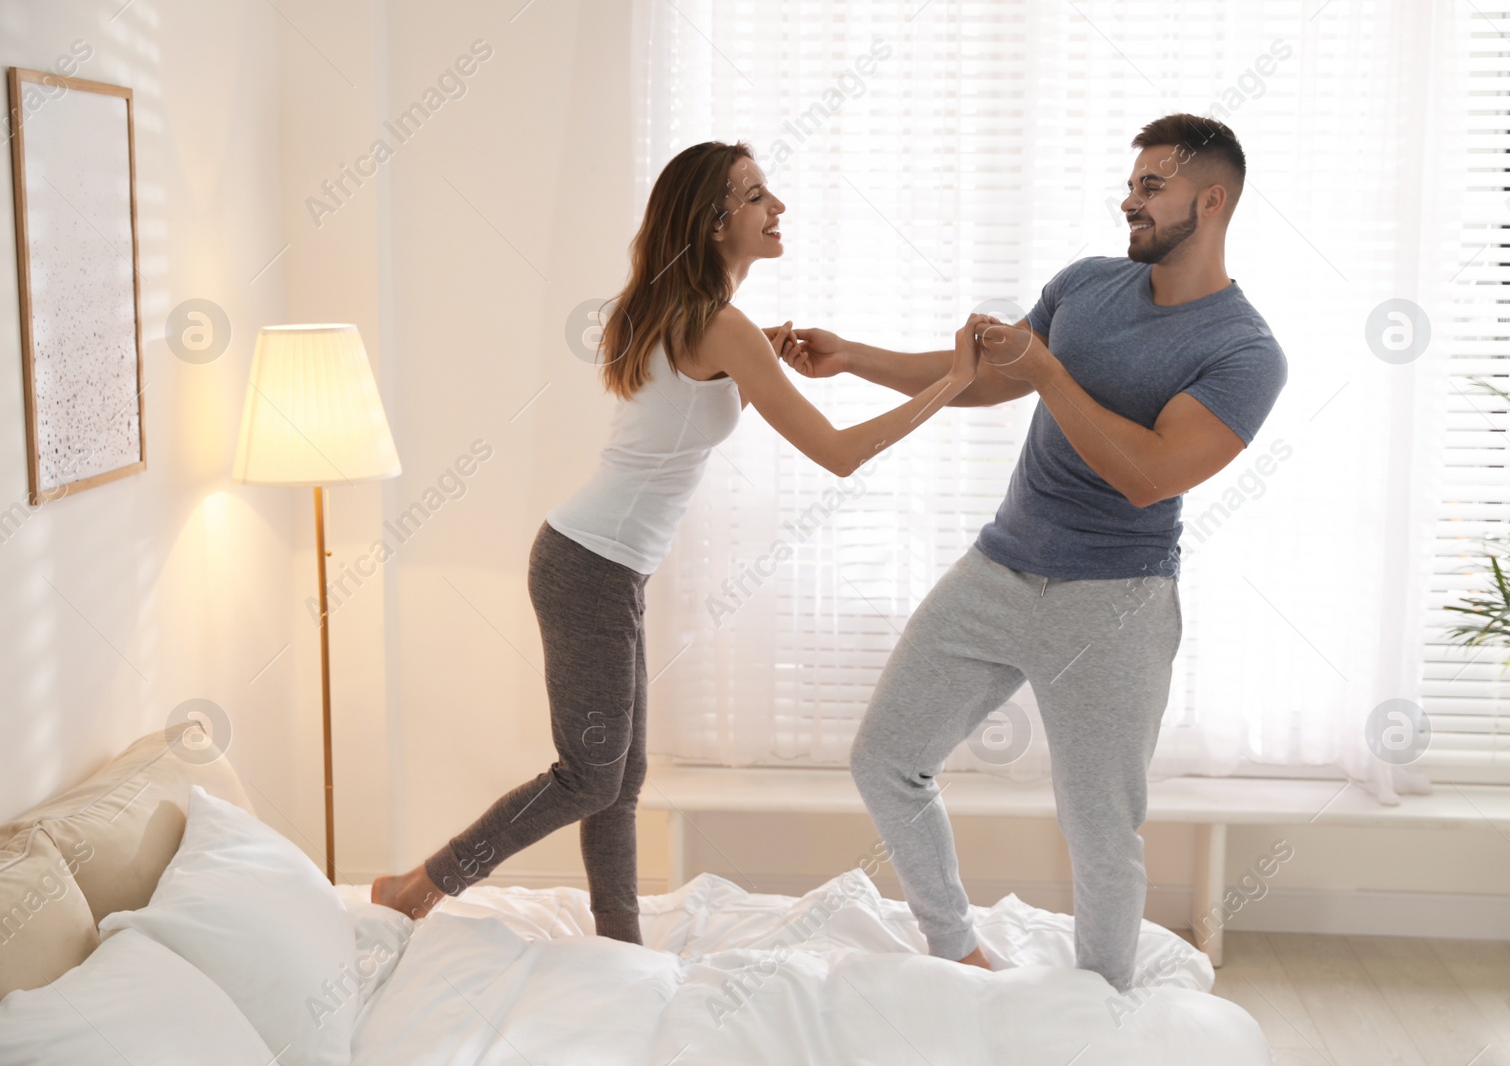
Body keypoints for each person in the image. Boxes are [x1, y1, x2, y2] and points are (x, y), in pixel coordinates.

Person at [372, 140, 985, 941]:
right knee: (590, 775)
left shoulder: (685, 315)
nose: (778, 207)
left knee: (619, 776)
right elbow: (837, 454)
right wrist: (953, 383)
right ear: (714, 219)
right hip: (588, 566)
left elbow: (690, 382)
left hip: (597, 563)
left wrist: (758, 348)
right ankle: (419, 883)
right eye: (757, 194)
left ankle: (617, 939)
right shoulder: (720, 327)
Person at [783, 114, 1288, 993]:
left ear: (1212, 201)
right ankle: (960, 954)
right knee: (885, 758)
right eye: (1130, 184)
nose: (1128, 200)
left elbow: (1149, 476)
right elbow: (983, 378)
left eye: (1151, 187)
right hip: (998, 567)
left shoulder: (1245, 351)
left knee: (1099, 824)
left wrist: (1051, 372)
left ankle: (1099, 1005)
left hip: (1117, 600)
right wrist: (853, 357)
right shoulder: (1087, 285)